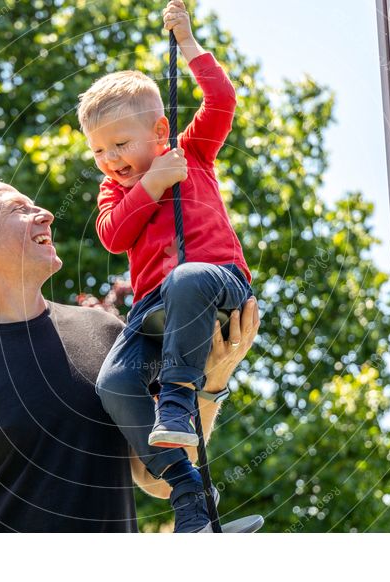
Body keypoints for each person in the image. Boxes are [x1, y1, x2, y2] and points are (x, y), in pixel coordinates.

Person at [0, 176, 259, 532]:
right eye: (19, 209)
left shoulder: (106, 333)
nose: (45, 213)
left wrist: (210, 386)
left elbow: (155, 478)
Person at [77, 0, 253, 532]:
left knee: (186, 277)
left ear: (159, 131)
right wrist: (151, 186)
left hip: (216, 286)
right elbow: (113, 235)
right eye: (99, 150)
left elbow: (221, 99)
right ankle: (188, 494)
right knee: (114, 382)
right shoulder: (118, 188)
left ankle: (176, 400)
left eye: (121, 144)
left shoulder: (192, 152)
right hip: (154, 309)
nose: (110, 160)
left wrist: (189, 45)